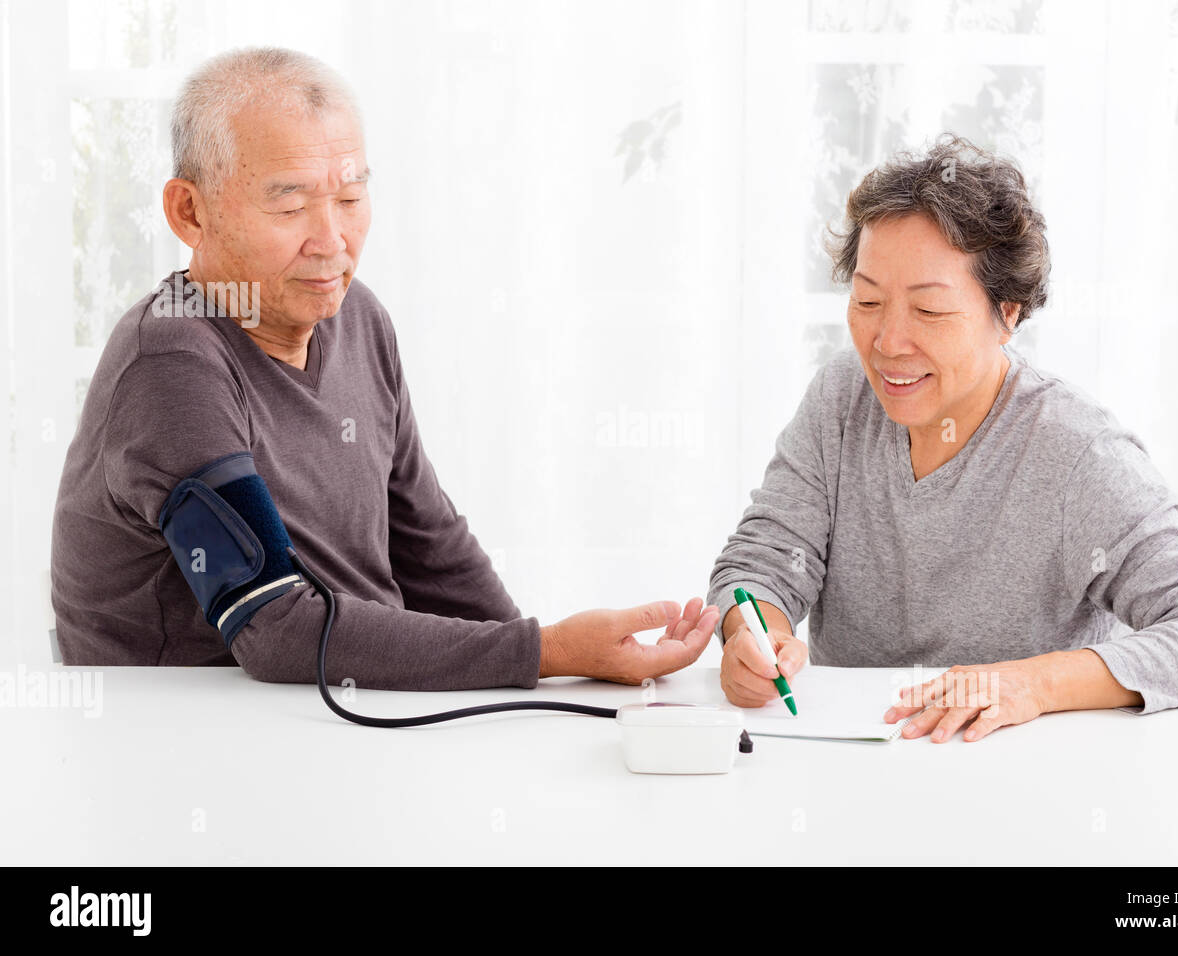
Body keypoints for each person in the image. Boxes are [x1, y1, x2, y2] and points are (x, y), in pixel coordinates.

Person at [50, 47, 718, 689]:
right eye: (289, 205)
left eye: (349, 199)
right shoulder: (171, 362)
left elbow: (429, 546)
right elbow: (276, 627)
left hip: (348, 710)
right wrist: (545, 652)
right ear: (189, 212)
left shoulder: (356, 316)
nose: (332, 241)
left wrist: (550, 676)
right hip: (199, 745)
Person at [708, 133, 1178, 741]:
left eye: (929, 311)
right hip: (849, 769)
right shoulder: (841, 398)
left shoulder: (1078, 452)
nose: (887, 341)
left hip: (1021, 781)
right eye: (867, 299)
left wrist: (1033, 683)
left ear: (1009, 313)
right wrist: (757, 635)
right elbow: (761, 562)